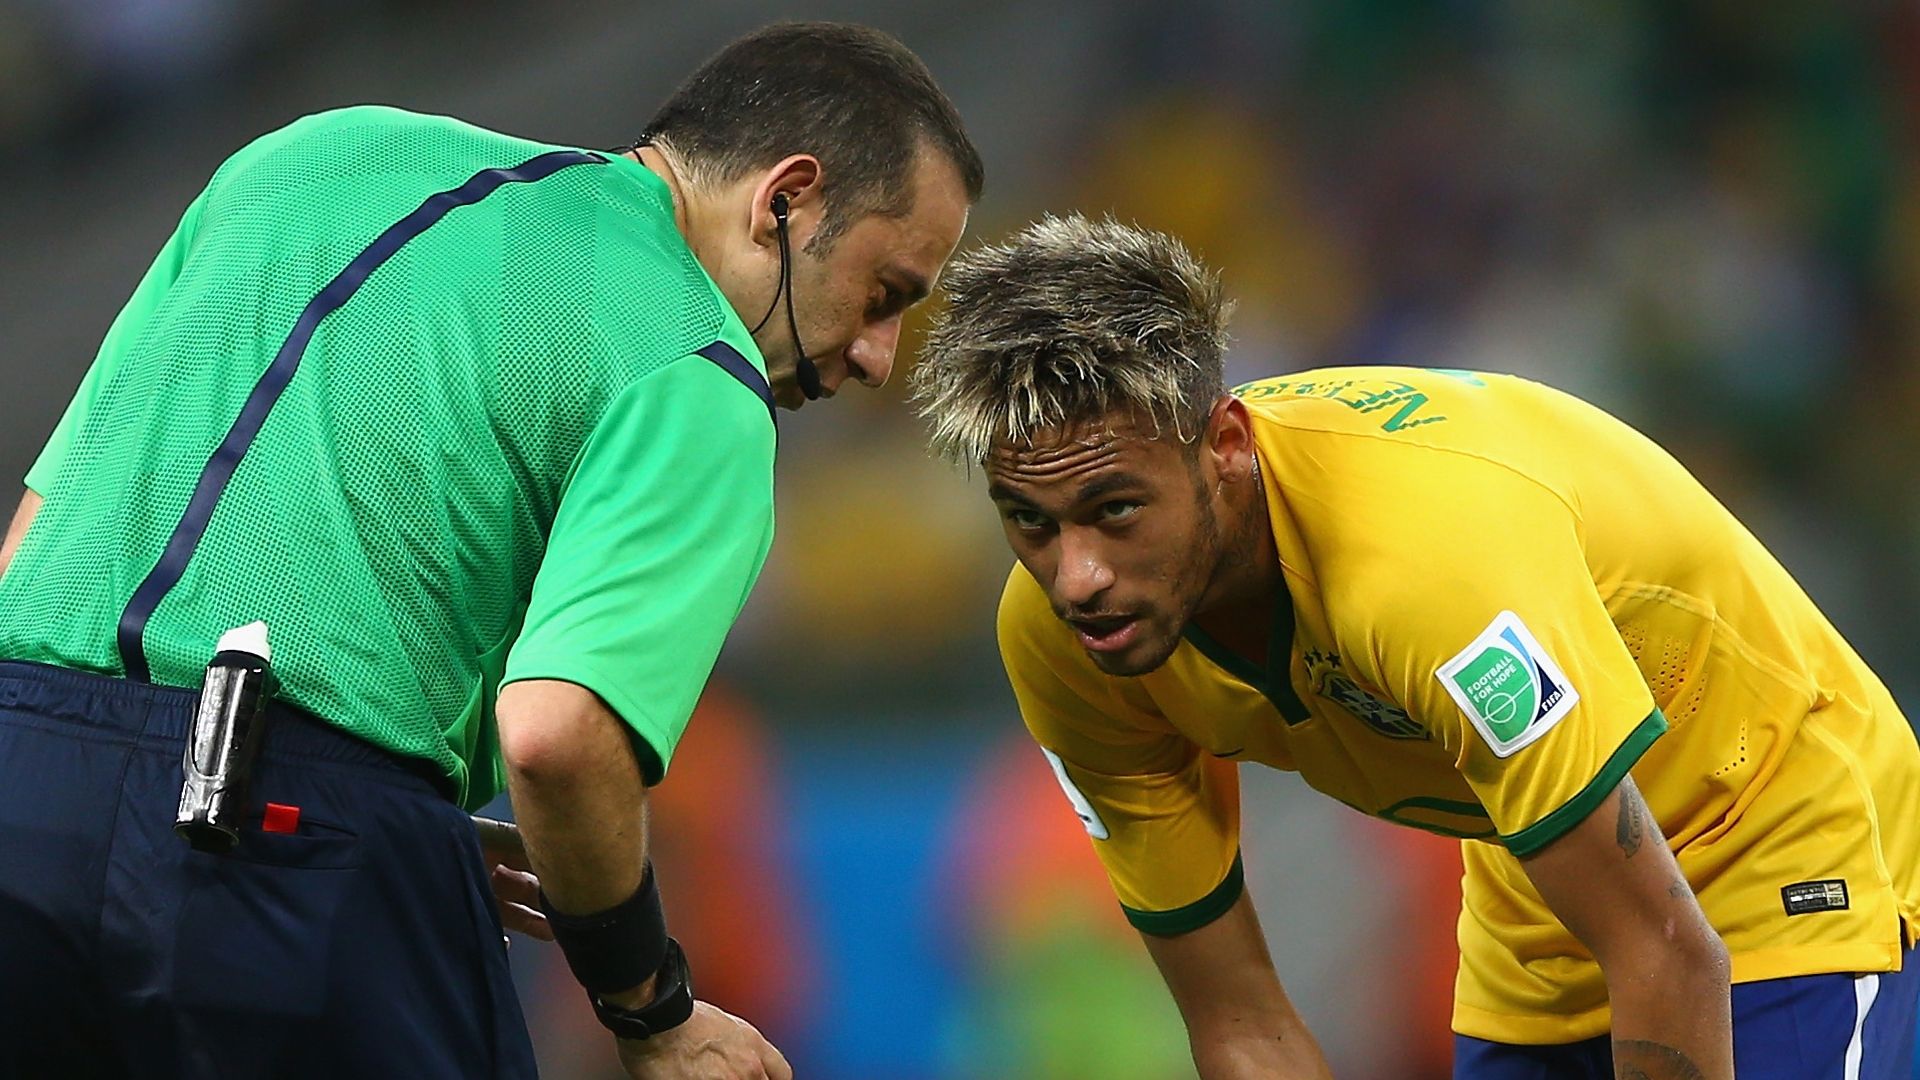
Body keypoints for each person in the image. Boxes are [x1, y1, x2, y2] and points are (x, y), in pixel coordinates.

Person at [0, 20, 980, 1080]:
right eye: (886, 296)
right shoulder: (699, 370)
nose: (881, 358)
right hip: (292, 866)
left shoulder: (306, 156)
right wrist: (651, 1007)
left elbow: (36, 541)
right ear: (787, 197)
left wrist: (349, 790)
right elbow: (558, 734)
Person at [909, 215, 1920, 1080]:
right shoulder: (1058, 641)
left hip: (1779, 835)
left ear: (1225, 446)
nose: (1075, 575)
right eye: (1029, 522)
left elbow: (1664, 949)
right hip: (1547, 899)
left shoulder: (1424, 568)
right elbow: (1243, 1027)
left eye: (1115, 509)